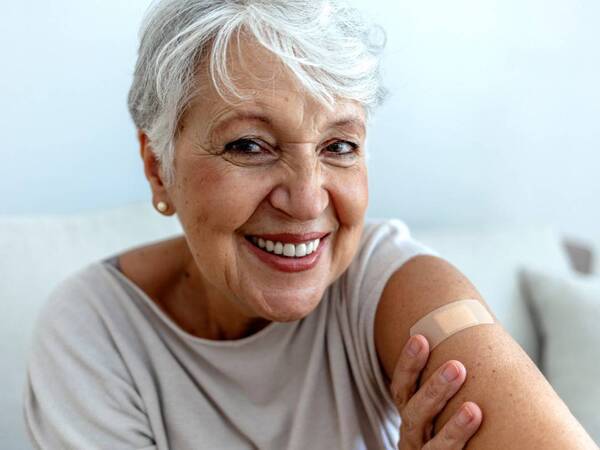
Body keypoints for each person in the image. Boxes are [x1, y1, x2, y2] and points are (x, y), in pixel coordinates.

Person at [23, 1, 598, 449]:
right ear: (158, 169)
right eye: (249, 145)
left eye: (339, 144)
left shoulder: (392, 284)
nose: (305, 199)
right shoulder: (94, 333)